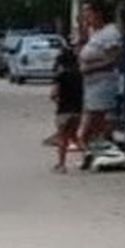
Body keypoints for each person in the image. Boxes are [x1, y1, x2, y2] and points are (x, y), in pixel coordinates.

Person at [77, 0, 123, 165]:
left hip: (103, 84)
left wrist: (91, 68)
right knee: (93, 125)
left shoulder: (110, 33)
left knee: (93, 125)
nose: (85, 17)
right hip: (91, 85)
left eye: (88, 13)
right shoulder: (93, 34)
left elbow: (114, 58)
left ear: (98, 13)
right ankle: (96, 154)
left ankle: (101, 153)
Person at [51, 45, 84, 174]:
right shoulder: (80, 75)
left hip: (63, 111)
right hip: (78, 110)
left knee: (62, 139)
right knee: (76, 137)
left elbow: (53, 94)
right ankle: (87, 157)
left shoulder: (61, 75)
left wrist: (57, 100)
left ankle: (61, 164)